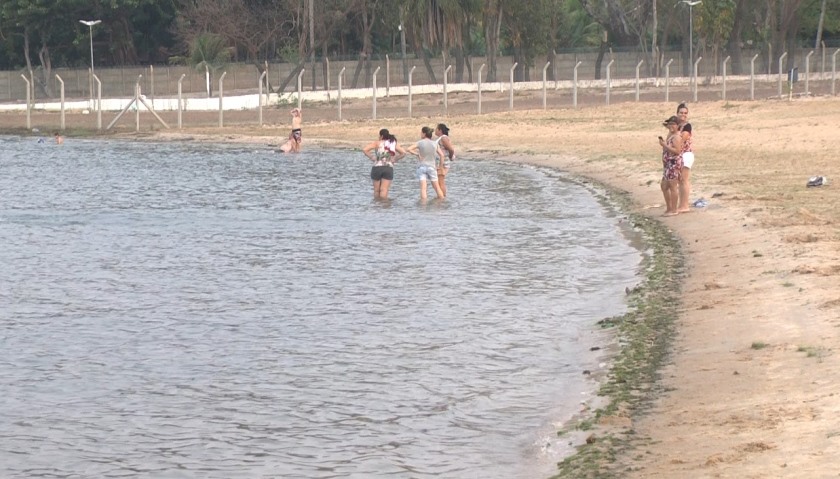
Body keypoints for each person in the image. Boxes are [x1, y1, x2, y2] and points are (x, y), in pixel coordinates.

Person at [362, 128, 406, 200]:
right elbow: (403, 153)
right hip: (388, 167)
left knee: (376, 190)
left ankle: (377, 205)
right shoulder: (392, 143)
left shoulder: (377, 143)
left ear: (381, 136)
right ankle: (384, 207)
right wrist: (395, 159)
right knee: (384, 190)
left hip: (377, 167)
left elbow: (365, 149)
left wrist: (372, 157)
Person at [405, 126, 446, 200]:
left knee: (423, 189)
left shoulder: (420, 143)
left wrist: (417, 154)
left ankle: (423, 206)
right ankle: (442, 202)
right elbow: (442, 155)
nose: (420, 134)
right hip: (432, 167)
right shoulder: (435, 144)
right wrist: (440, 166)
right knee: (437, 187)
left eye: (421, 133)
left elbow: (408, 149)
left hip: (422, 167)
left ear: (424, 134)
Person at [658, 116, 684, 217]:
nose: (671, 126)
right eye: (670, 124)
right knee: (664, 185)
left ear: (678, 126)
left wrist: (665, 145)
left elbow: (677, 151)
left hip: (674, 164)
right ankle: (669, 208)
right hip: (668, 164)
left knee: (673, 186)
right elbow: (666, 125)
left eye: (673, 124)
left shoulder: (677, 137)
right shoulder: (671, 134)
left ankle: (674, 210)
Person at [676, 103, 694, 212]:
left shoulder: (687, 126)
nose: (683, 115)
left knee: (684, 180)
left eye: (685, 113)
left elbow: (683, 138)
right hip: (678, 155)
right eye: (681, 113)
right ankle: (681, 204)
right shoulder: (677, 125)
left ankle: (685, 205)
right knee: (680, 180)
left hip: (686, 154)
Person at [433, 123, 456, 197]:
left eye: (436, 129)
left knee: (441, 181)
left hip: (443, 163)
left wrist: (451, 156)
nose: (435, 130)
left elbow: (451, 149)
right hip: (440, 162)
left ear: (440, 130)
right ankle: (441, 197)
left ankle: (442, 197)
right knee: (439, 181)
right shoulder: (440, 138)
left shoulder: (443, 138)